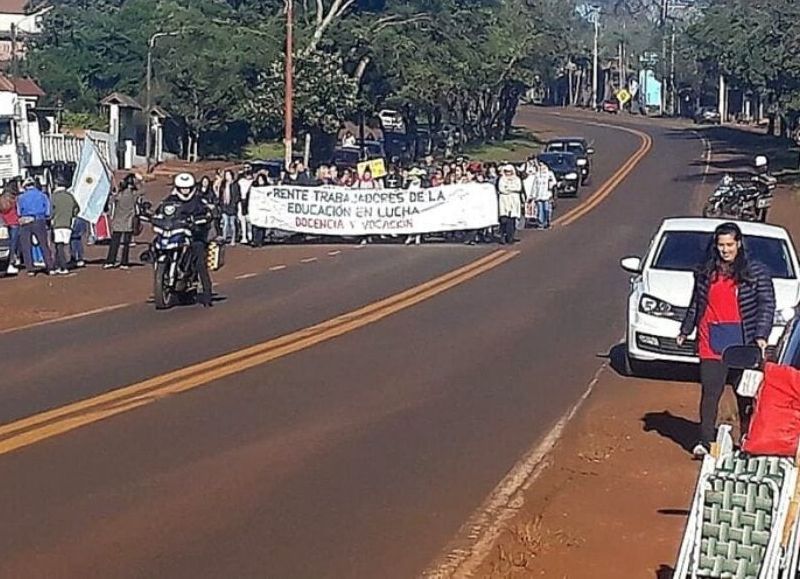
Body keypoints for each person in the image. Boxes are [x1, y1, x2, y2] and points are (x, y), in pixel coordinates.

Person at [678, 222, 776, 457]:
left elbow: (766, 304)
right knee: (711, 392)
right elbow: (696, 303)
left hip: (743, 341)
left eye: (730, 244)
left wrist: (761, 335)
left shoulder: (756, 271)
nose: (725, 250)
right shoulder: (705, 271)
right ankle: (705, 441)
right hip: (710, 339)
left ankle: (747, 440)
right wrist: (685, 329)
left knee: (745, 394)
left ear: (739, 244)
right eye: (721, 245)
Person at [160, 173, 216, 307]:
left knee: (200, 261)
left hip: (194, 235)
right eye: (182, 188)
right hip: (175, 234)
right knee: (157, 246)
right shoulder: (171, 199)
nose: (184, 191)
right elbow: (161, 211)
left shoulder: (198, 201)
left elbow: (208, 212)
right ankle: (165, 275)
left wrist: (205, 217)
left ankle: (207, 294)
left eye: (187, 188)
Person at [17, 177, 55, 276]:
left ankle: (30, 269)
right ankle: (50, 267)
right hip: (39, 220)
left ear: (25, 186)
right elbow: (48, 211)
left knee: (26, 246)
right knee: (44, 244)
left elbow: (19, 212)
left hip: (25, 221)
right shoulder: (42, 195)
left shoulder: (21, 197)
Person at [104, 173, 141, 269]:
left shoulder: (119, 195)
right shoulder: (133, 194)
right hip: (128, 221)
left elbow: (111, 201)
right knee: (126, 244)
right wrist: (140, 181)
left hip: (117, 221)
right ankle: (124, 262)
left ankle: (110, 261)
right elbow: (143, 191)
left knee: (114, 243)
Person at [50, 184, 79, 274]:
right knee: (65, 245)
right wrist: (71, 215)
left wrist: (51, 218)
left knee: (59, 246)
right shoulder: (70, 196)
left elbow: (50, 211)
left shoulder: (53, 197)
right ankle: (61, 264)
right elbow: (77, 208)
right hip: (67, 223)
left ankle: (63, 266)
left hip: (57, 224)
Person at [496, 164, 523, 244]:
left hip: (514, 201)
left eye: (510, 172)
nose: (508, 174)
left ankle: (510, 237)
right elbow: (502, 189)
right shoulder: (502, 179)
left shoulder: (517, 179)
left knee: (512, 221)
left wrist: (508, 188)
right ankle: (503, 236)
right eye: (506, 172)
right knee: (504, 220)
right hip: (504, 201)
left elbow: (518, 188)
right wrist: (511, 189)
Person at [527, 160, 557, 229]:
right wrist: (532, 195)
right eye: (540, 166)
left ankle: (547, 222)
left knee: (547, 209)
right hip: (539, 196)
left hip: (547, 195)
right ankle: (541, 224)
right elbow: (534, 186)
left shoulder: (549, 174)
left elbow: (554, 182)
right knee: (540, 210)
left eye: (543, 165)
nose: (541, 167)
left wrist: (551, 185)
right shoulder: (537, 175)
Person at [0, 183, 19, 274]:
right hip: (14, 222)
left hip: (3, 222)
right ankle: (11, 262)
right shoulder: (14, 198)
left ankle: (7, 263)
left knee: (5, 245)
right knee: (13, 244)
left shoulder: (2, 197)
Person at [219, 170, 240, 245]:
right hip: (224, 206)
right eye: (226, 175)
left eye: (228, 175)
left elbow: (237, 195)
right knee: (225, 223)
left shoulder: (235, 184)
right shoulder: (223, 184)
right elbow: (220, 194)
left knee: (232, 223)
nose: (227, 177)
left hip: (232, 207)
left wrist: (234, 204)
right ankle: (224, 237)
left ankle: (233, 239)